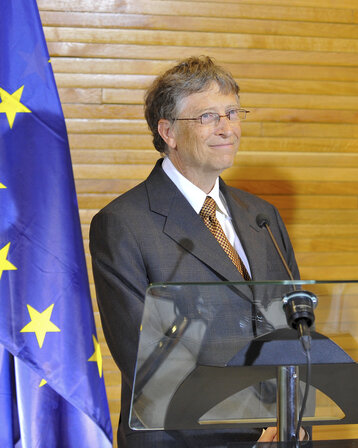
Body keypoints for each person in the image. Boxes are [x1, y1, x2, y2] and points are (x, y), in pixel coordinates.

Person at [90, 56, 304, 446]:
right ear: (168, 131)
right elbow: (148, 360)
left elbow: (297, 325)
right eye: (208, 116)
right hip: (185, 437)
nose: (227, 129)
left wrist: (290, 417)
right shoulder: (123, 223)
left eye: (233, 112)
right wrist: (250, 427)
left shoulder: (262, 216)